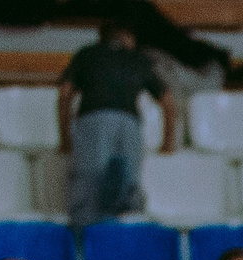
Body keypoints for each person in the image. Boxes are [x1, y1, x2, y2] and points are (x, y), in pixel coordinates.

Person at [58, 19, 171, 231]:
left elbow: (65, 93)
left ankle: (83, 239)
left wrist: (65, 138)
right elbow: (167, 101)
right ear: (128, 36)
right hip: (129, 123)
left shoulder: (88, 54)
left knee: (90, 180)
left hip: (93, 119)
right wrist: (168, 141)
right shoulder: (137, 59)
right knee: (128, 183)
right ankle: (126, 236)